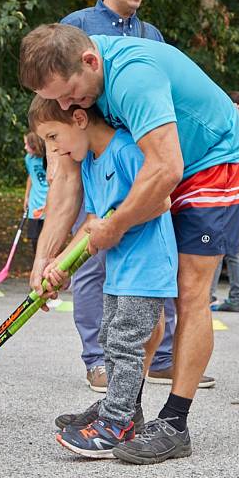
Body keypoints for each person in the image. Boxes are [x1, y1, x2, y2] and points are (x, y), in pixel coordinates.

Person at [19, 24, 239, 464]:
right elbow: (66, 180)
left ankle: (175, 423)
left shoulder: (133, 78)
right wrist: (46, 259)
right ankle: (123, 408)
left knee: (189, 290)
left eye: (69, 95)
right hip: (165, 164)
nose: (66, 106)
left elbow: (166, 169)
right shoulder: (72, 89)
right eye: (58, 101)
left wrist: (114, 226)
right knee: (140, 304)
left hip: (213, 161)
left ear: (90, 62)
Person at [59, 0, 208, 394]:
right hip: (101, 166)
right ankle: (97, 362)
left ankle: (155, 365)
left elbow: (162, 139)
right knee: (96, 267)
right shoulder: (76, 27)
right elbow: (62, 113)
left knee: (155, 268)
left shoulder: (150, 36)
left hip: (148, 167)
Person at [28, 96, 177, 458]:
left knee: (125, 342)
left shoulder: (124, 150)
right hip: (120, 269)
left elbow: (161, 200)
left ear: (79, 119)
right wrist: (58, 265)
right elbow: (92, 224)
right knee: (111, 338)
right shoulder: (91, 164)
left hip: (146, 268)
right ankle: (118, 408)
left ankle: (117, 422)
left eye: (53, 137)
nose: (54, 150)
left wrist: (116, 222)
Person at [209, 90, 239, 313]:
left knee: (226, 248)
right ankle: (224, 296)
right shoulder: (236, 129)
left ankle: (228, 297)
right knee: (226, 249)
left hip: (231, 193)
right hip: (232, 192)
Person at [22, 132, 48, 254]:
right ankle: (37, 265)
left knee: (47, 238)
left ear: (35, 145)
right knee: (34, 238)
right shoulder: (28, 159)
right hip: (34, 204)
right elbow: (31, 177)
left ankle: (48, 268)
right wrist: (26, 197)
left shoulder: (47, 159)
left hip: (48, 204)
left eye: (27, 144)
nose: (25, 147)